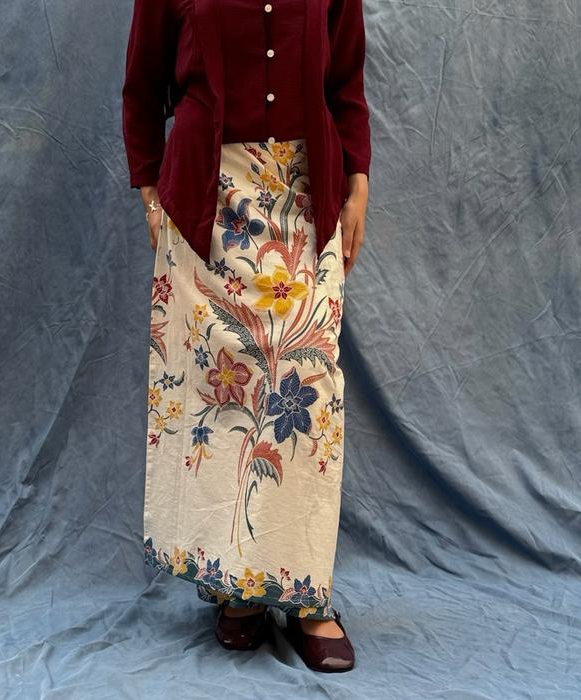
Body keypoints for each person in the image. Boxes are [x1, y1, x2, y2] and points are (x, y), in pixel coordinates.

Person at [122, 0, 371, 673]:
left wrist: (358, 183)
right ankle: (240, 588)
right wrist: (149, 190)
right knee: (226, 406)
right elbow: (142, 87)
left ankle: (307, 595)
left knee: (307, 403)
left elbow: (345, 82)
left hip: (305, 200)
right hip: (208, 209)